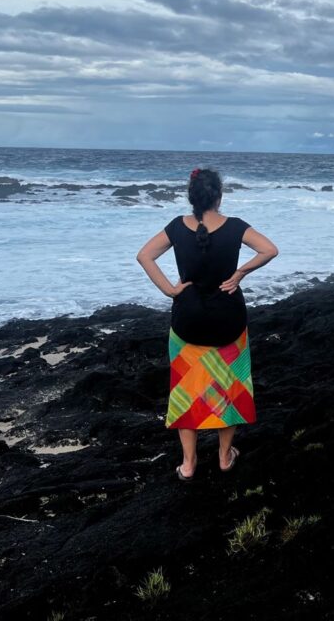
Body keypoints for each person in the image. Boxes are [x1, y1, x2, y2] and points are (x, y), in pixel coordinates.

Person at [137, 168, 278, 481]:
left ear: (191, 197)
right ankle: (225, 456)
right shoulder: (236, 226)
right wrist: (240, 274)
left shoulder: (176, 227)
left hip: (187, 322)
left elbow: (144, 256)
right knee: (231, 388)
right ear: (219, 196)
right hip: (229, 321)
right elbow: (270, 249)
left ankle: (188, 463)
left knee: (185, 390)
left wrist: (170, 290)